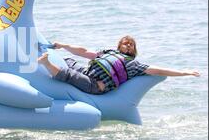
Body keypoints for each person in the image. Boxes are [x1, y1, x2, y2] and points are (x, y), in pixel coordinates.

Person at [37, 35, 200, 94]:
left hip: (95, 86)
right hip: (87, 73)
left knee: (68, 74)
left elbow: (158, 70)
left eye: (131, 44)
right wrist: (63, 45)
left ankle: (45, 63)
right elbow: (83, 51)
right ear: (119, 46)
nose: (128, 45)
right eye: (125, 43)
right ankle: (43, 56)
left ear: (134, 50)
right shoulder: (108, 52)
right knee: (67, 61)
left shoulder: (133, 65)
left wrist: (184, 72)